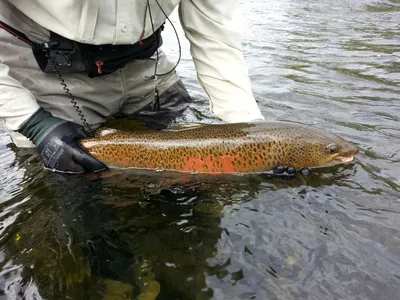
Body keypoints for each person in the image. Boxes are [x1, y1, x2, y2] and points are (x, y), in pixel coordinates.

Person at [0, 0, 265, 174]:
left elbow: (215, 36)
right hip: (44, 68)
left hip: (144, 62)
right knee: (65, 177)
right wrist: (33, 122)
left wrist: (255, 136)